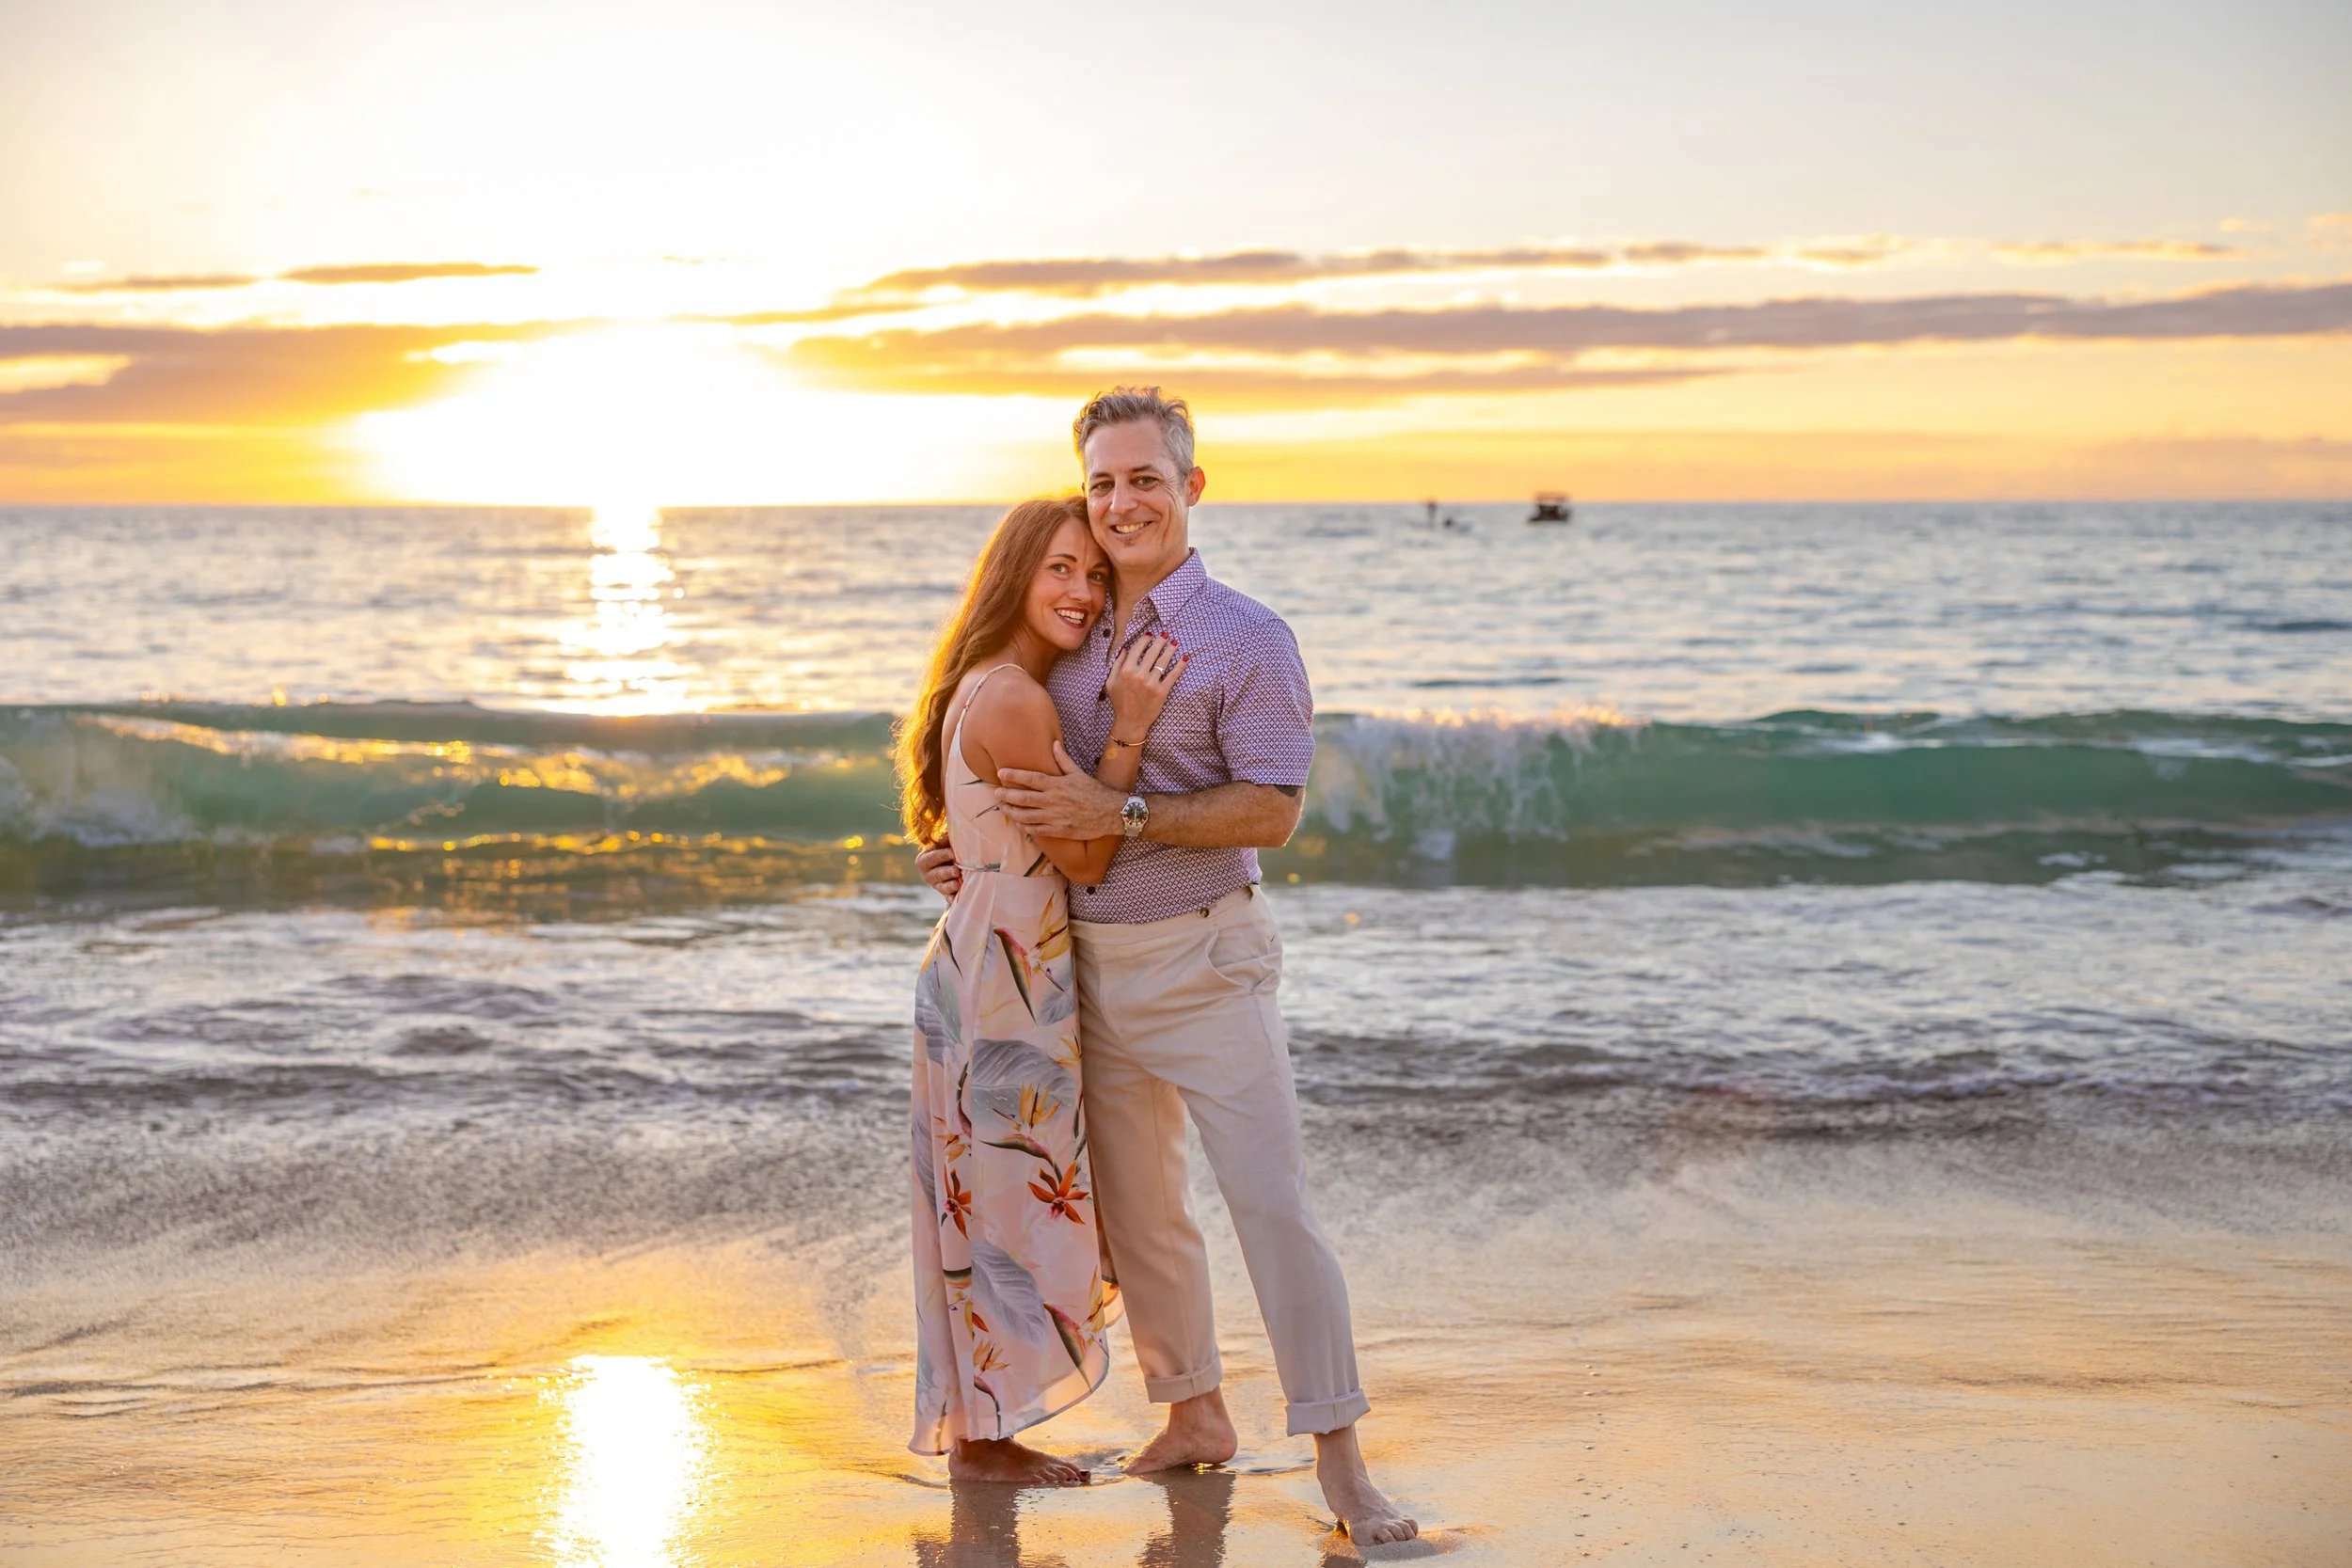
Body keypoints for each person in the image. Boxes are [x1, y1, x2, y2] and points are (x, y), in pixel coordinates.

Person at [916, 390, 1417, 1545]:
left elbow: (1275, 810)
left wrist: (1126, 807)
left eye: (1144, 478)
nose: (1120, 503)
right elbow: (1013, 766)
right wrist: (971, 851)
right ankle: (1194, 1412)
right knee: (1142, 1219)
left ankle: (1343, 1461)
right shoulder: (1068, 627)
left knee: (1271, 1207)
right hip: (1080, 967)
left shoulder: (1248, 636)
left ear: (1191, 487)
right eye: (1101, 482)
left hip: (1205, 952)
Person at [898, 495, 1188, 1483]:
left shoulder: (986, 685)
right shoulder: (1015, 697)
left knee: (986, 1197)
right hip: (1002, 977)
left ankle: (986, 1428)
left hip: (988, 956)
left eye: (1094, 575)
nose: (1080, 590)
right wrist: (1133, 729)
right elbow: (1087, 850)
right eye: (1060, 568)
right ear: (1015, 572)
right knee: (1007, 1201)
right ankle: (984, 1442)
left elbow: (982, 837)